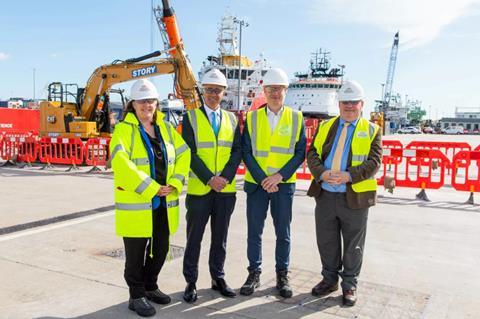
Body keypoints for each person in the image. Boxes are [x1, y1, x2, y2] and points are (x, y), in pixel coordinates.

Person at [110, 79, 191, 317]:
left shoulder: (165, 129)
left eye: (151, 101)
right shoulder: (124, 130)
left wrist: (175, 183)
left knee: (161, 248)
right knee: (135, 254)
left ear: (157, 103)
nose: (147, 105)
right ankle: (136, 295)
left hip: (163, 203)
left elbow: (184, 153)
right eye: (142, 101)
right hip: (138, 204)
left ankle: (150, 285)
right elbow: (121, 164)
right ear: (132, 104)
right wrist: (151, 187)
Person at [306, 80, 382, 306]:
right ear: (338, 104)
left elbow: (374, 161)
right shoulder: (326, 126)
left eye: (353, 102)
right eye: (345, 102)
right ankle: (329, 280)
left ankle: (349, 285)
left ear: (362, 104)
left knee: (353, 245)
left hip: (355, 198)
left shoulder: (371, 130)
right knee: (327, 241)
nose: (349, 106)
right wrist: (321, 173)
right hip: (326, 194)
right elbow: (312, 154)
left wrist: (349, 175)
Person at [240, 68, 306, 298]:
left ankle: (282, 274)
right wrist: (263, 179)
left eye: (279, 89)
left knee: (283, 233)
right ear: (264, 91)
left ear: (286, 91)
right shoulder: (252, 117)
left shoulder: (297, 118)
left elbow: (300, 153)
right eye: (270, 89)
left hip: (283, 185)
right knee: (254, 232)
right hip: (257, 185)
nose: (275, 93)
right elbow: (246, 151)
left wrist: (279, 177)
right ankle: (254, 273)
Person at [181, 69, 242, 302]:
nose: (213, 94)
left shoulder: (232, 119)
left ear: (224, 92)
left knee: (220, 238)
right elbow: (190, 153)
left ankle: (218, 277)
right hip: (200, 190)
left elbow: (237, 151)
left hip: (225, 191)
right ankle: (191, 281)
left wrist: (224, 178)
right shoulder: (190, 118)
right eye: (209, 90)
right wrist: (210, 179)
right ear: (202, 92)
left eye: (217, 90)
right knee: (194, 238)